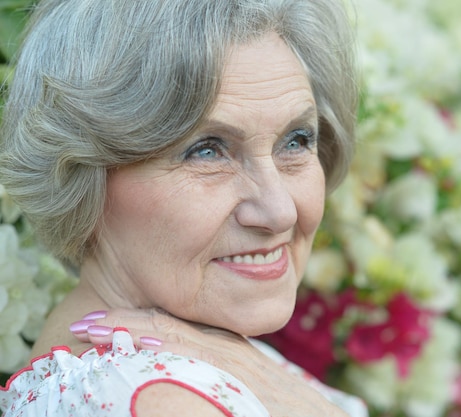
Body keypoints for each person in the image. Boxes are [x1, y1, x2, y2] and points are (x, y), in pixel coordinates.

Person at [0, 0, 367, 415]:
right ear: (80, 173)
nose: (281, 211)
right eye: (207, 152)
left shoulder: (203, 352)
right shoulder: (144, 397)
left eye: (296, 140)